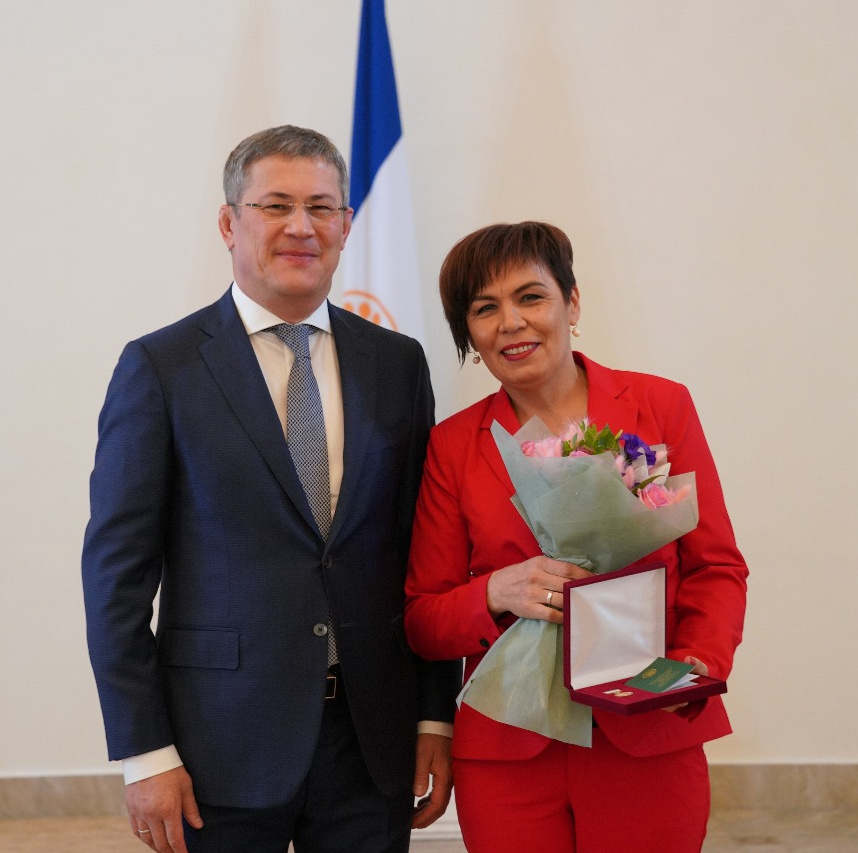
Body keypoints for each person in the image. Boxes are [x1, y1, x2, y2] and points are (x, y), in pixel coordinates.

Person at [82, 125, 460, 853]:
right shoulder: (161, 367)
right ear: (230, 224)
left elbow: (426, 555)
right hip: (217, 743)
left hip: (371, 739)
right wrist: (145, 751)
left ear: (346, 225)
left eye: (321, 207)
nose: (301, 226)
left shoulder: (397, 364)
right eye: (276, 205)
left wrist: (433, 716)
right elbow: (115, 578)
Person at [404, 221, 748, 852]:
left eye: (530, 297)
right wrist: (494, 593)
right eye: (484, 308)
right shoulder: (452, 446)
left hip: (647, 726)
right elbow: (423, 618)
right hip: (509, 749)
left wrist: (696, 663)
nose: (511, 322)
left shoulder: (660, 405)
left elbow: (715, 566)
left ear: (572, 303)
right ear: (469, 334)